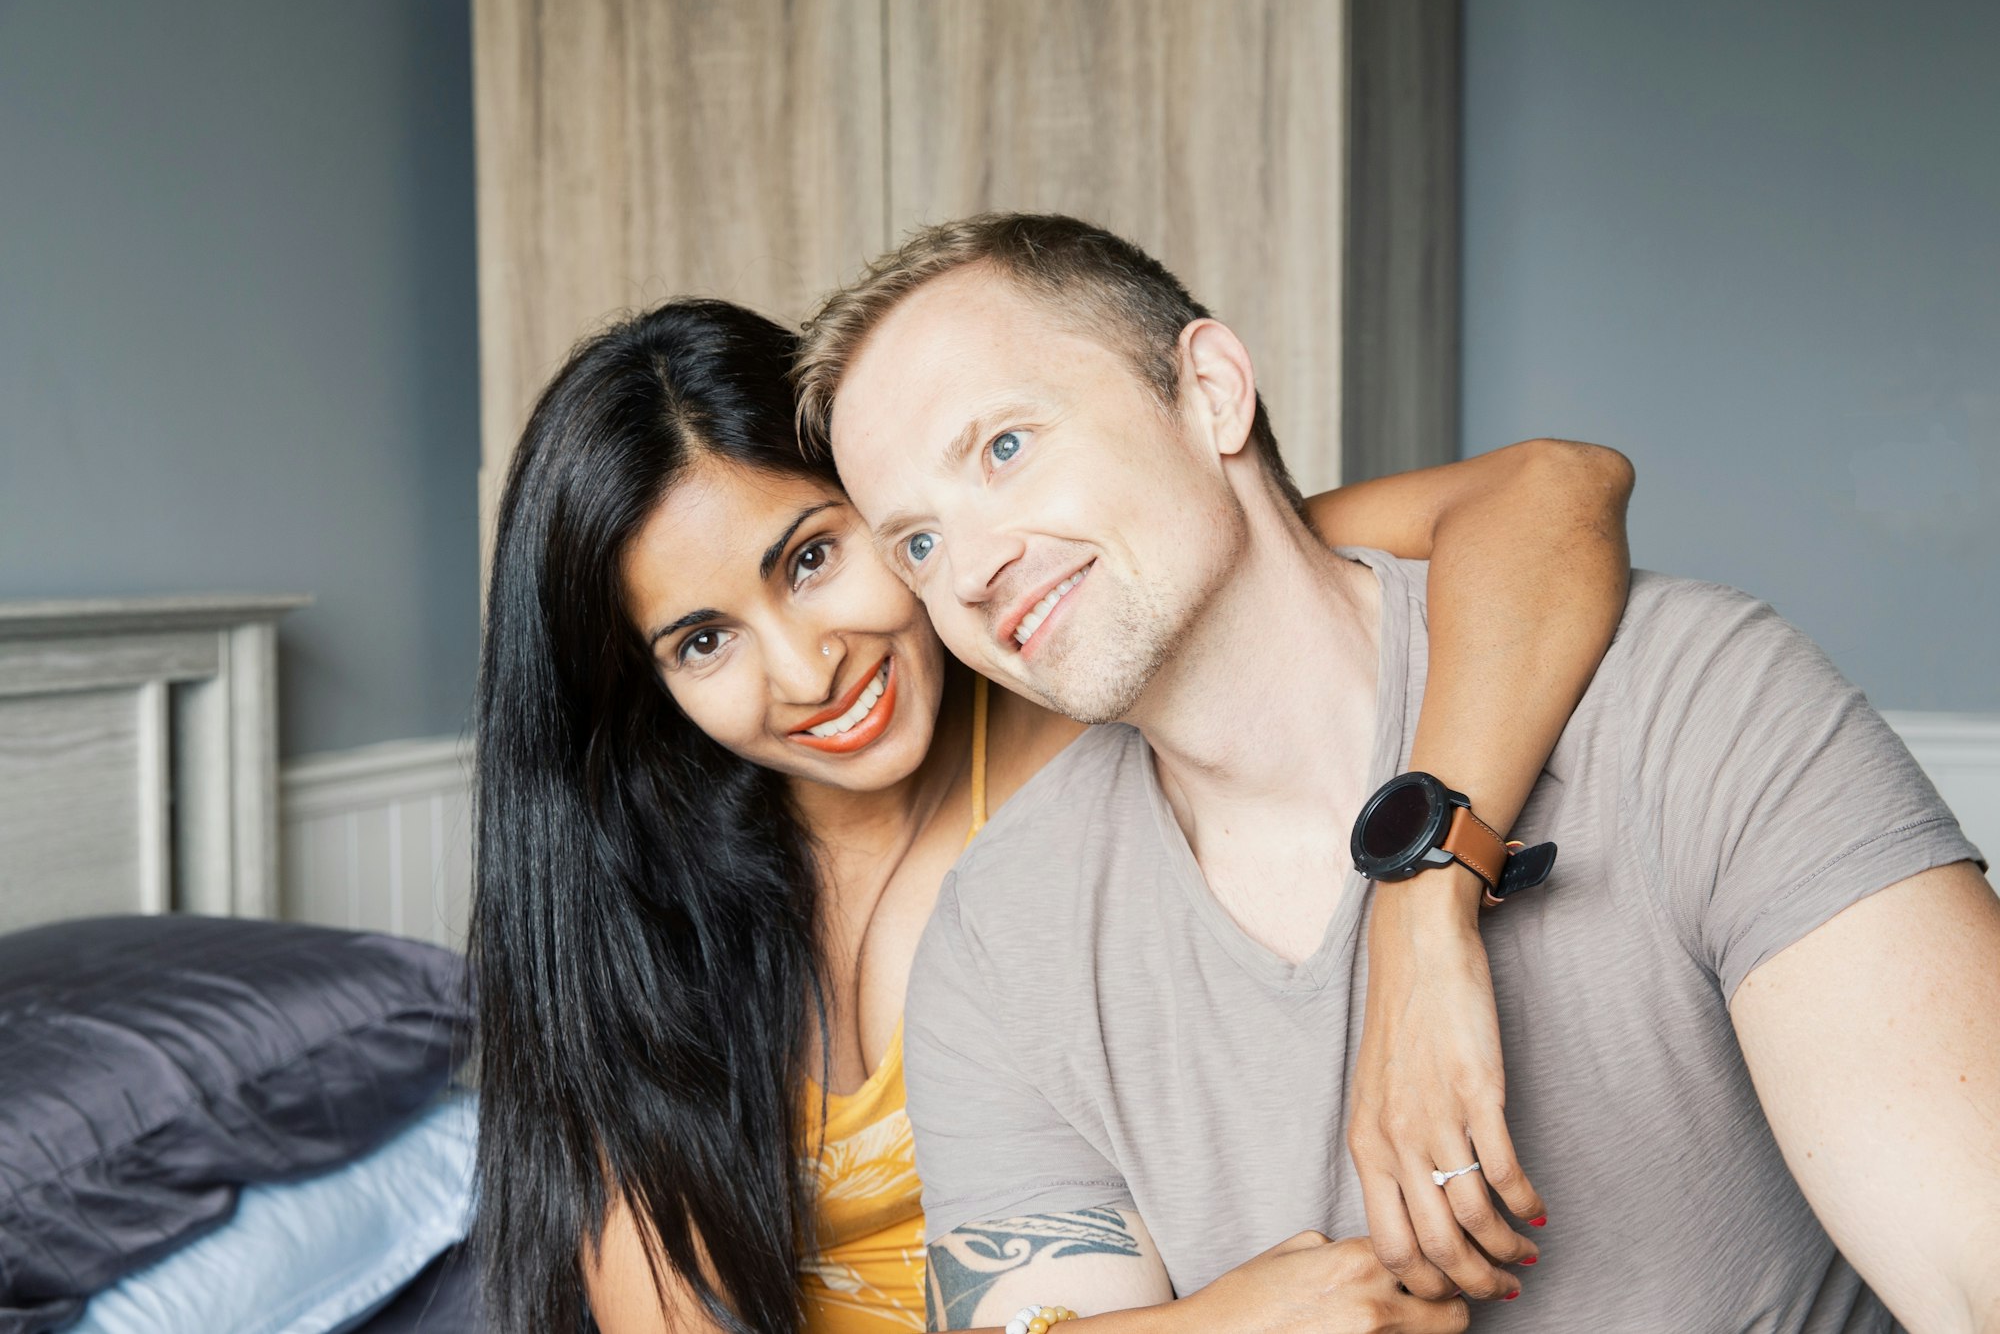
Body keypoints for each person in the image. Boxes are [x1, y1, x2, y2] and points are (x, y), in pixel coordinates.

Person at [800, 212, 2000, 1333]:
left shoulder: (1691, 698)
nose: (968, 569)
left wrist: (1421, 912)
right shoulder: (1003, 932)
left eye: (1004, 446)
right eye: (915, 540)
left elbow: (1968, 1268)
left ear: (1208, 393)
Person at [469, 299, 1636, 1334]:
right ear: (650, 686)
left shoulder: (1097, 678)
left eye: (814, 557)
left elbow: (1550, 490)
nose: (804, 669)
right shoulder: (637, 914)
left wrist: (1422, 906)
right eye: (703, 640)